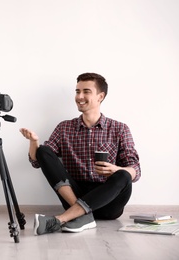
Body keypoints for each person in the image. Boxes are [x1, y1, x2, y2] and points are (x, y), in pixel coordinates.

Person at [20, 72, 141, 235]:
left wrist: (114, 169)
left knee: (124, 175)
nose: (79, 96)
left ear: (100, 96)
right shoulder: (64, 128)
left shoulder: (120, 129)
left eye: (86, 91)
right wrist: (34, 142)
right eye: (77, 91)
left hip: (108, 202)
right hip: (74, 195)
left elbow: (136, 170)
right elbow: (38, 161)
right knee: (43, 150)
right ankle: (83, 216)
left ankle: (62, 219)